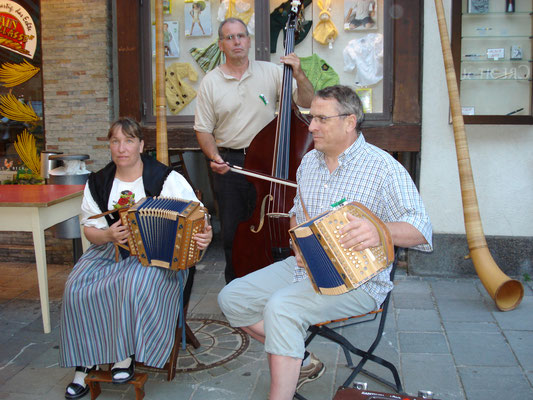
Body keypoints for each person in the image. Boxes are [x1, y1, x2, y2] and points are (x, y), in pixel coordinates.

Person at [218, 85, 433, 400]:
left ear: (349, 122)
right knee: (232, 297)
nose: (311, 126)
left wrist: (380, 230)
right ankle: (299, 359)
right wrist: (298, 244)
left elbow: (423, 229)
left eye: (321, 118)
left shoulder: (382, 167)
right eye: (310, 117)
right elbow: (295, 214)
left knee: (281, 309)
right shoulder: (309, 163)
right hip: (306, 267)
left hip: (359, 280)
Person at [60, 117, 212, 400]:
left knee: (131, 283)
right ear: (109, 145)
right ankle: (85, 364)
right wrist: (107, 236)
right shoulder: (98, 181)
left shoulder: (165, 178)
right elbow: (90, 229)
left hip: (160, 256)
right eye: (116, 141)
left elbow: (199, 215)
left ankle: (123, 354)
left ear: (141, 145)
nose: (122, 148)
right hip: (110, 250)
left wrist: (206, 235)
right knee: (75, 287)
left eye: (129, 141)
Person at [194, 17, 314, 283]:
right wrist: (214, 156)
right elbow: (203, 129)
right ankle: (235, 289)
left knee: (275, 226)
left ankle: (278, 283)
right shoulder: (210, 82)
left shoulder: (271, 71)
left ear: (248, 41)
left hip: (268, 162)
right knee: (233, 231)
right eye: (230, 37)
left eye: (241, 36)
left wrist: (299, 73)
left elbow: (306, 102)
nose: (237, 41)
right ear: (221, 45)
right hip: (230, 162)